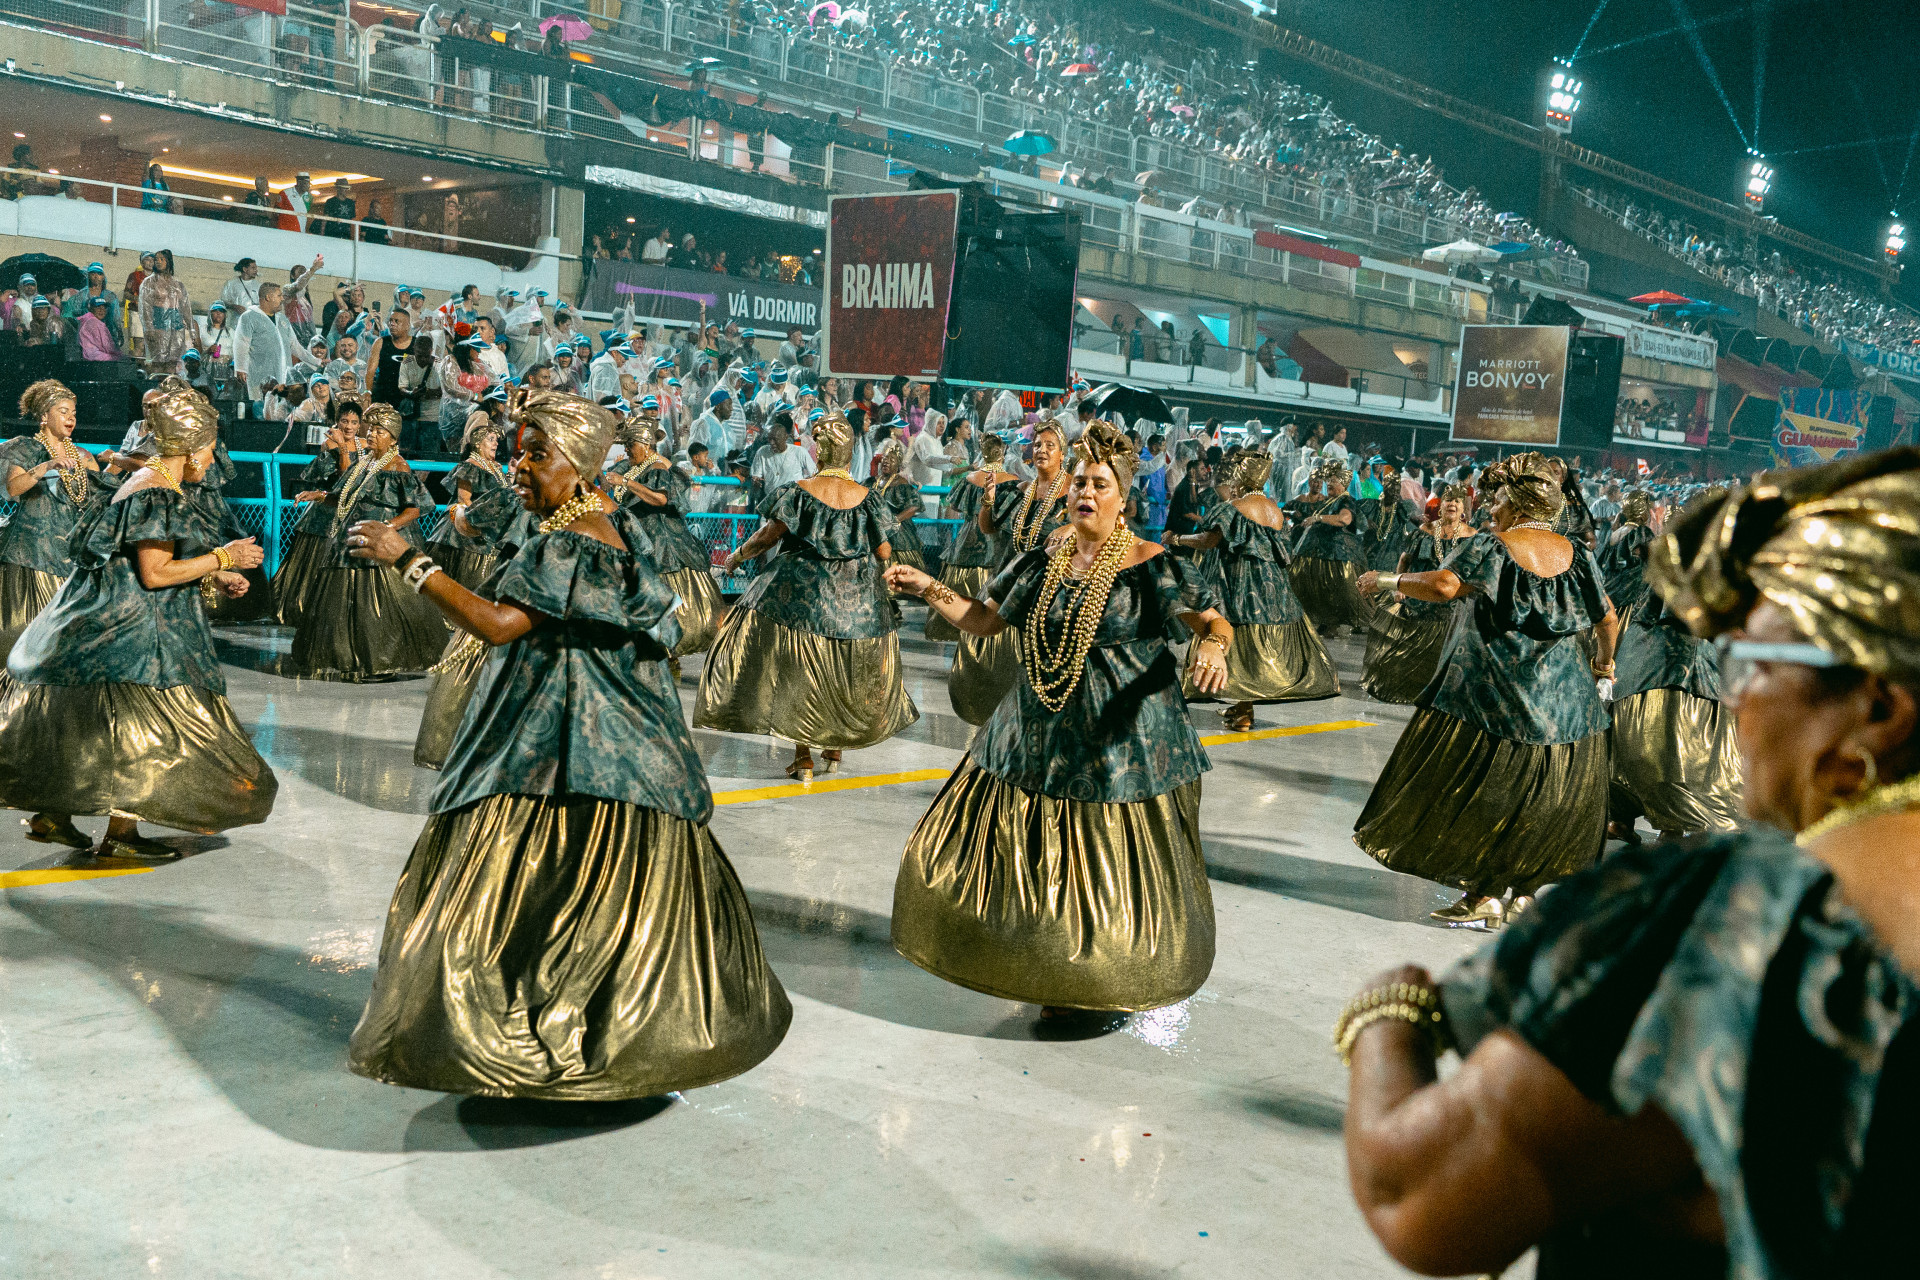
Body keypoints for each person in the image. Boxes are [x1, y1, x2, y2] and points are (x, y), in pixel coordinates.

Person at [1341, 449, 1920, 1279]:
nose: (1734, 701)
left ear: (1880, 709)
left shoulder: (1737, 924)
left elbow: (1418, 1198)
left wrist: (1386, 1015)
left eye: (1756, 665)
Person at [343, 391, 790, 1099]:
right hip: (570, 745)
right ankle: (566, 1042)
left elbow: (496, 623)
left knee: (562, 905)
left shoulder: (581, 538)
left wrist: (410, 561)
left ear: (580, 466)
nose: (521, 464)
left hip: (590, 758)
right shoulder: (585, 522)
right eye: (519, 448)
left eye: (537, 452)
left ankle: (565, 1049)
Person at [884, 422, 1233, 1020]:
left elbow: (1212, 621)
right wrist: (926, 586)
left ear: (1122, 498)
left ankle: (1102, 978)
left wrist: (1212, 649)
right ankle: (1044, 967)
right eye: (1078, 483)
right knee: (1035, 858)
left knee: (1104, 868)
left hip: (1121, 745)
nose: (1084, 493)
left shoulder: (1151, 562)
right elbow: (984, 620)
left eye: (1099, 484)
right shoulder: (1044, 556)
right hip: (1038, 732)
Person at [0, 385, 274, 858]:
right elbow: (155, 573)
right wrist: (223, 556)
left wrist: (219, 573)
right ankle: (121, 837)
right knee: (147, 731)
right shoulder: (156, 492)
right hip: (138, 634)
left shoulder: (142, 480)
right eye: (207, 453)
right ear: (187, 450)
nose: (209, 463)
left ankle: (55, 815)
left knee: (97, 725)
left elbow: (139, 559)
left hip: (105, 623)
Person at [1353, 452, 1619, 929]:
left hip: (1491, 698)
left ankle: (1483, 897)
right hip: (1566, 708)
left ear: (1517, 505)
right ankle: (1524, 895)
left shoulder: (1492, 547)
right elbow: (1607, 617)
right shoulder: (1578, 555)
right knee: (1540, 800)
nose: (1491, 509)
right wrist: (1604, 666)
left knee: (1483, 795)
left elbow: (1441, 585)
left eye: (1496, 500)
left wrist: (1387, 580)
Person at [696, 412, 919, 782]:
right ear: (849, 454)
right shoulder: (868, 498)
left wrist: (736, 557)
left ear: (820, 453)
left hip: (801, 599)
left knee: (797, 673)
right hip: (858, 604)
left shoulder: (800, 492)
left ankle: (803, 758)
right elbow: (882, 553)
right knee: (845, 672)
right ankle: (834, 748)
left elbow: (766, 537)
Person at [1609, 488, 1743, 840]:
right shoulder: (1717, 558)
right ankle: (1672, 824)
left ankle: (1633, 818)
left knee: (1643, 744)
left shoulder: (1679, 552)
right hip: (1684, 668)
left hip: (1652, 663)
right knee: (1680, 748)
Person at [1169, 449, 1339, 728]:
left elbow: (1208, 540)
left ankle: (1243, 712)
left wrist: (1177, 538)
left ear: (1241, 478)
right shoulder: (1275, 511)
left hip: (1238, 586)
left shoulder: (1232, 508)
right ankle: (1243, 708)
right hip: (1273, 592)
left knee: (1235, 639)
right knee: (1253, 646)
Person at [284, 405, 448, 681]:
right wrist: (319, 495)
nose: (371, 434)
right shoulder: (364, 463)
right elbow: (344, 497)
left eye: (379, 431)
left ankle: (381, 664)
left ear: (393, 438)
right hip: (353, 540)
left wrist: (388, 528)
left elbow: (416, 509)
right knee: (347, 602)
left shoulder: (398, 466)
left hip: (383, 546)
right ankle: (350, 659)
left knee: (380, 605)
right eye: (370, 429)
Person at [952, 422, 1070, 725]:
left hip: (1046, 598)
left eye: (1049, 445)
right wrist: (989, 499)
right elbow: (988, 527)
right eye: (1038, 444)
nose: (1041, 450)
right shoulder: (1018, 490)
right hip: (1004, 586)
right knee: (989, 666)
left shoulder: (1074, 494)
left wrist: (1071, 525)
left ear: (1063, 453)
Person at [602, 405, 723, 672]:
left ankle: (668, 652)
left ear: (646, 444)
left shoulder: (658, 467)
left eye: (631, 445)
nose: (627, 451)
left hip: (663, 544)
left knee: (666, 596)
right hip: (636, 540)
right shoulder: (631, 466)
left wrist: (626, 483)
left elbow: (661, 498)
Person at [0, 381, 105, 661]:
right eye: (63, 411)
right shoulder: (25, 448)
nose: (71, 418)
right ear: (44, 416)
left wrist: (117, 466)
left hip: (70, 557)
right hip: (31, 557)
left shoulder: (82, 456)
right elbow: (13, 489)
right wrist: (46, 466)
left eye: (73, 412)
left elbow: (100, 499)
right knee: (28, 636)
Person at [1360, 483, 1475, 704]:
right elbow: (1404, 560)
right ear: (1440, 506)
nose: (1452, 504)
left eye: (1457, 501)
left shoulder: (1472, 537)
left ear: (1463, 510)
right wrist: (1398, 588)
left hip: (1452, 603)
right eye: (1448, 500)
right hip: (1419, 599)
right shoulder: (1425, 531)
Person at [423, 418, 509, 591]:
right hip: (465, 528)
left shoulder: (495, 467)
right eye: (490, 439)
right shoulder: (470, 466)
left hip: (489, 526)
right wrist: (480, 525)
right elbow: (464, 499)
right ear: (477, 443)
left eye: (496, 440)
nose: (495, 444)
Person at [1286, 461, 1369, 635]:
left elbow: (1344, 519)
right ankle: (1323, 621)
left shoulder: (1346, 500)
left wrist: (1318, 518)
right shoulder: (1329, 501)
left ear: (1344, 484)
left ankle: (1332, 624)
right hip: (1318, 553)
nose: (1329, 484)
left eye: (1334, 481)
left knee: (1335, 591)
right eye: (1329, 480)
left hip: (1336, 555)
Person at [870, 439, 926, 575]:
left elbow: (913, 507)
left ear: (898, 466)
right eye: (885, 459)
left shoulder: (901, 483)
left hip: (897, 531)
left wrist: (893, 521)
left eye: (892, 460)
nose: (887, 462)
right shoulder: (872, 481)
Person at [137, 250, 195, 378]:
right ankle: (156, 393)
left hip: (176, 325)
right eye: (156, 259)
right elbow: (145, 307)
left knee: (172, 364)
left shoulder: (178, 284)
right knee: (157, 363)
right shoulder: (148, 282)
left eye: (161, 259)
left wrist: (191, 329)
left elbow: (186, 307)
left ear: (168, 261)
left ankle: (169, 391)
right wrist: (149, 328)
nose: (157, 261)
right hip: (158, 323)